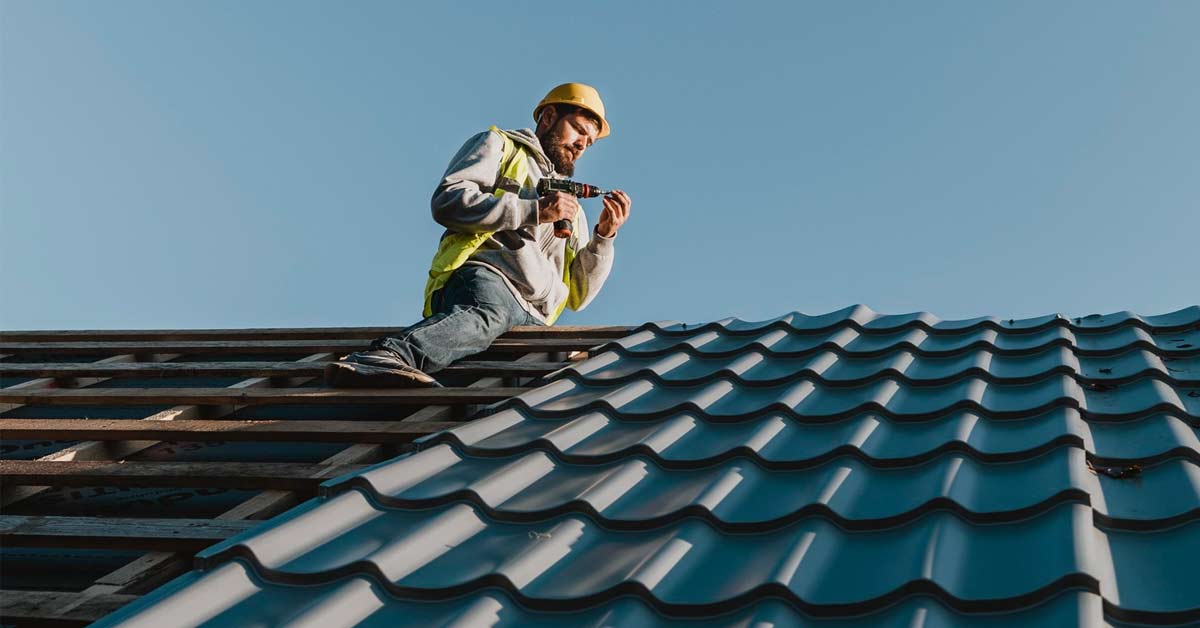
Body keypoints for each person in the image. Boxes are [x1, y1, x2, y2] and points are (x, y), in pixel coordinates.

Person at [325, 82, 632, 388]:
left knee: (519, 388)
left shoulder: (572, 210)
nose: (582, 144)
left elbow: (578, 296)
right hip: (490, 281)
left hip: (535, 318)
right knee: (486, 314)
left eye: (589, 142)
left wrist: (604, 237)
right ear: (548, 117)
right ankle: (387, 355)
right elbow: (448, 202)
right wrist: (534, 211)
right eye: (578, 130)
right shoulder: (500, 147)